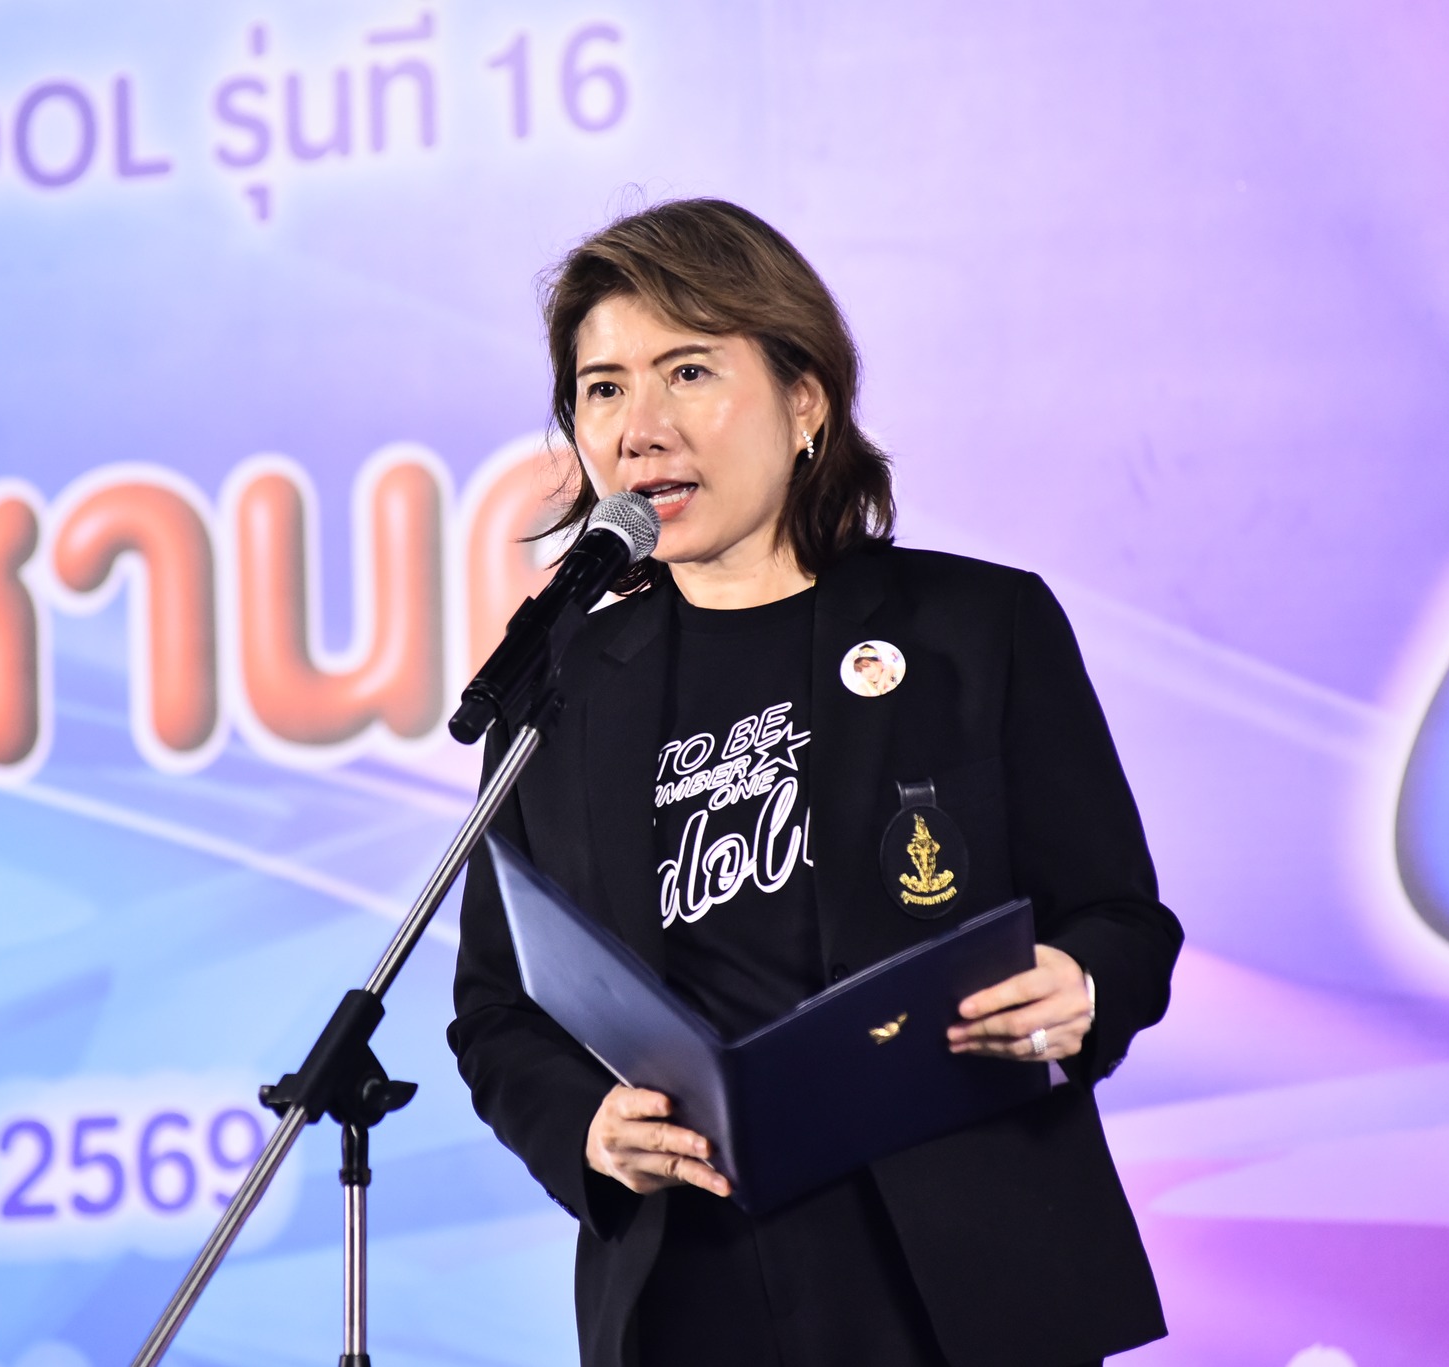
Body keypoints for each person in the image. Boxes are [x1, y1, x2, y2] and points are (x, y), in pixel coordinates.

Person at [447, 199, 1182, 1367]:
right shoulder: (562, 681)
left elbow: (1121, 918)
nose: (638, 428)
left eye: (687, 371)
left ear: (804, 402)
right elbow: (496, 1007)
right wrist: (587, 1127)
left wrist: (1080, 982)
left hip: (956, 1275)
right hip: (687, 1290)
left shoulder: (974, 628)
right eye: (602, 388)